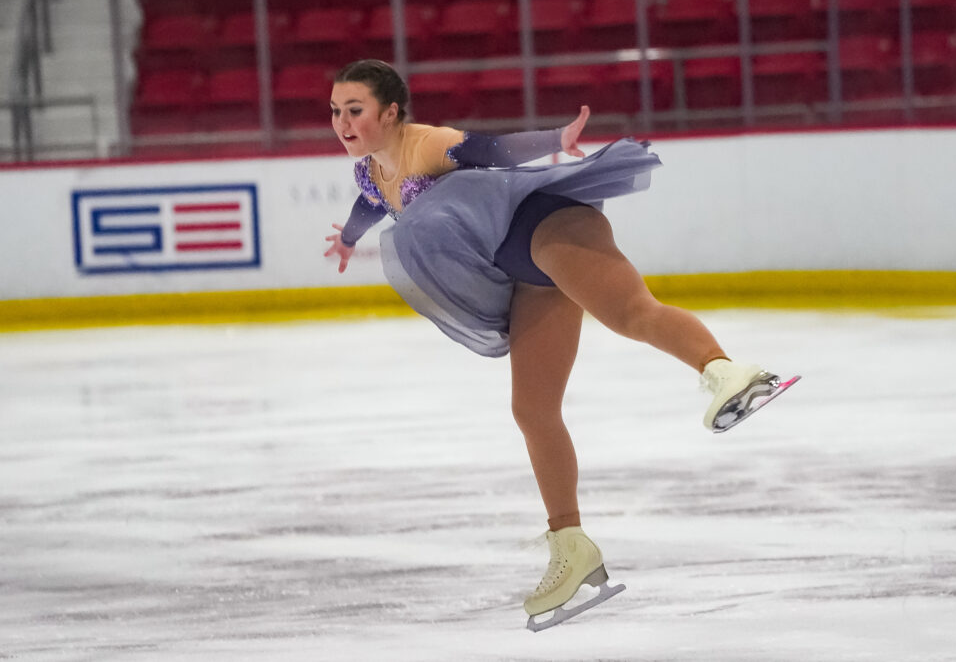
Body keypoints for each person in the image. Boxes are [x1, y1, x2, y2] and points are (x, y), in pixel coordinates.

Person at [323, 59, 797, 631]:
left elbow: (488, 149)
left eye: (355, 110)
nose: (342, 122)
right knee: (532, 409)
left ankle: (726, 372)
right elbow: (372, 204)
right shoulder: (373, 172)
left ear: (390, 112)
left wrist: (554, 140)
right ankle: (571, 545)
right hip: (524, 272)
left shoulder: (424, 143)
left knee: (629, 314)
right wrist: (348, 240)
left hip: (546, 223)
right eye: (335, 111)